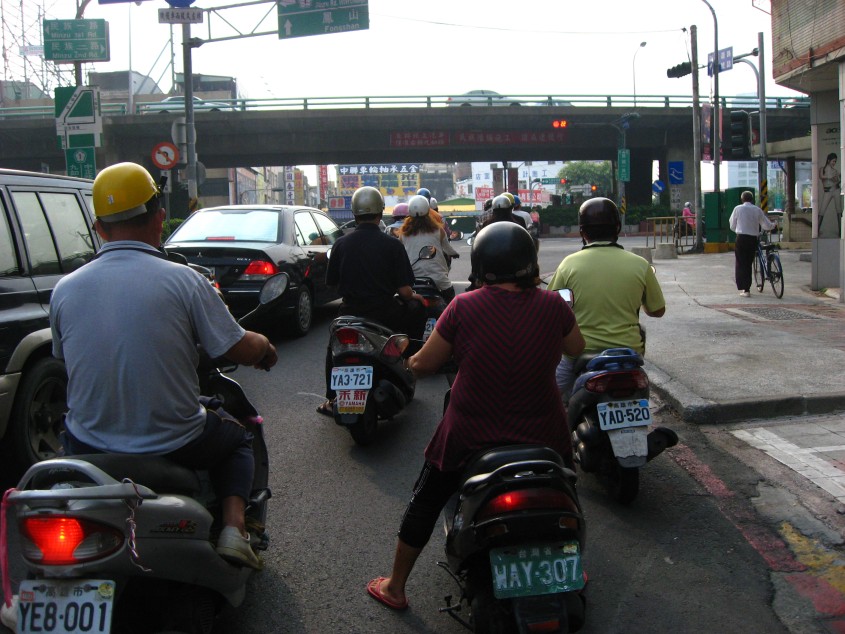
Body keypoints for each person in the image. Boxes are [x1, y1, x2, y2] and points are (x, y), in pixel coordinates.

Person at [50, 162, 278, 569]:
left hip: (87, 445)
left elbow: (66, 359)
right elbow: (239, 347)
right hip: (175, 441)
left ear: (99, 229)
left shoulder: (64, 290)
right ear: (159, 219)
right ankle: (234, 529)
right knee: (239, 438)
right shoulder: (185, 280)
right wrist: (263, 346)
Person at [365, 222, 585, 611]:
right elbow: (576, 347)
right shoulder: (553, 305)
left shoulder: (464, 306)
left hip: (470, 434)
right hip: (544, 432)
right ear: (531, 262)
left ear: (482, 265)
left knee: (426, 500)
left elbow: (425, 364)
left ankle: (396, 587)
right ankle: (572, 565)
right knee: (567, 492)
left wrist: (411, 361)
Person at [317, 186, 427, 416]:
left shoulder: (341, 244)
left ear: (354, 214)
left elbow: (332, 284)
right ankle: (410, 363)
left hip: (349, 313)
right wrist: (414, 297)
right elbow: (405, 292)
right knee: (416, 308)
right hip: (385, 313)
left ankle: (331, 398)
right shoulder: (392, 244)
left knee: (334, 347)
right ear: (380, 212)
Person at [547, 197, 665, 398]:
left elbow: (551, 310)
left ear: (582, 232)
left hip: (580, 352)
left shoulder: (569, 264)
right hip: (629, 352)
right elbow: (657, 311)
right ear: (617, 228)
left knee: (547, 399)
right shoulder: (640, 264)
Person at [400, 194, 459, 302]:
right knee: (451, 299)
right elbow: (447, 249)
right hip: (438, 278)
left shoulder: (404, 234)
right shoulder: (438, 230)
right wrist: (455, 254)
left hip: (412, 278)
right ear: (428, 211)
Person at [728, 190, 777, 297]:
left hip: (741, 238)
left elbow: (732, 225)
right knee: (749, 263)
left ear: (742, 199)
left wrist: (739, 230)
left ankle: (745, 290)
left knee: (741, 263)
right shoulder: (757, 209)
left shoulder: (737, 208)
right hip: (752, 239)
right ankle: (747, 287)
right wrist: (773, 225)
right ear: (752, 199)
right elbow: (766, 225)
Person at [818, 153, 842, 232]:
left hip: (836, 190)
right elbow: (821, 176)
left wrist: (837, 179)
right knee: (822, 210)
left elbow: (838, 181)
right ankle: (816, 229)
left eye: (835, 161)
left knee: (839, 209)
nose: (834, 163)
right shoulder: (822, 169)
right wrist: (829, 177)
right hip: (827, 191)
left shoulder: (835, 171)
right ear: (828, 160)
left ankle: (841, 230)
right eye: (833, 161)